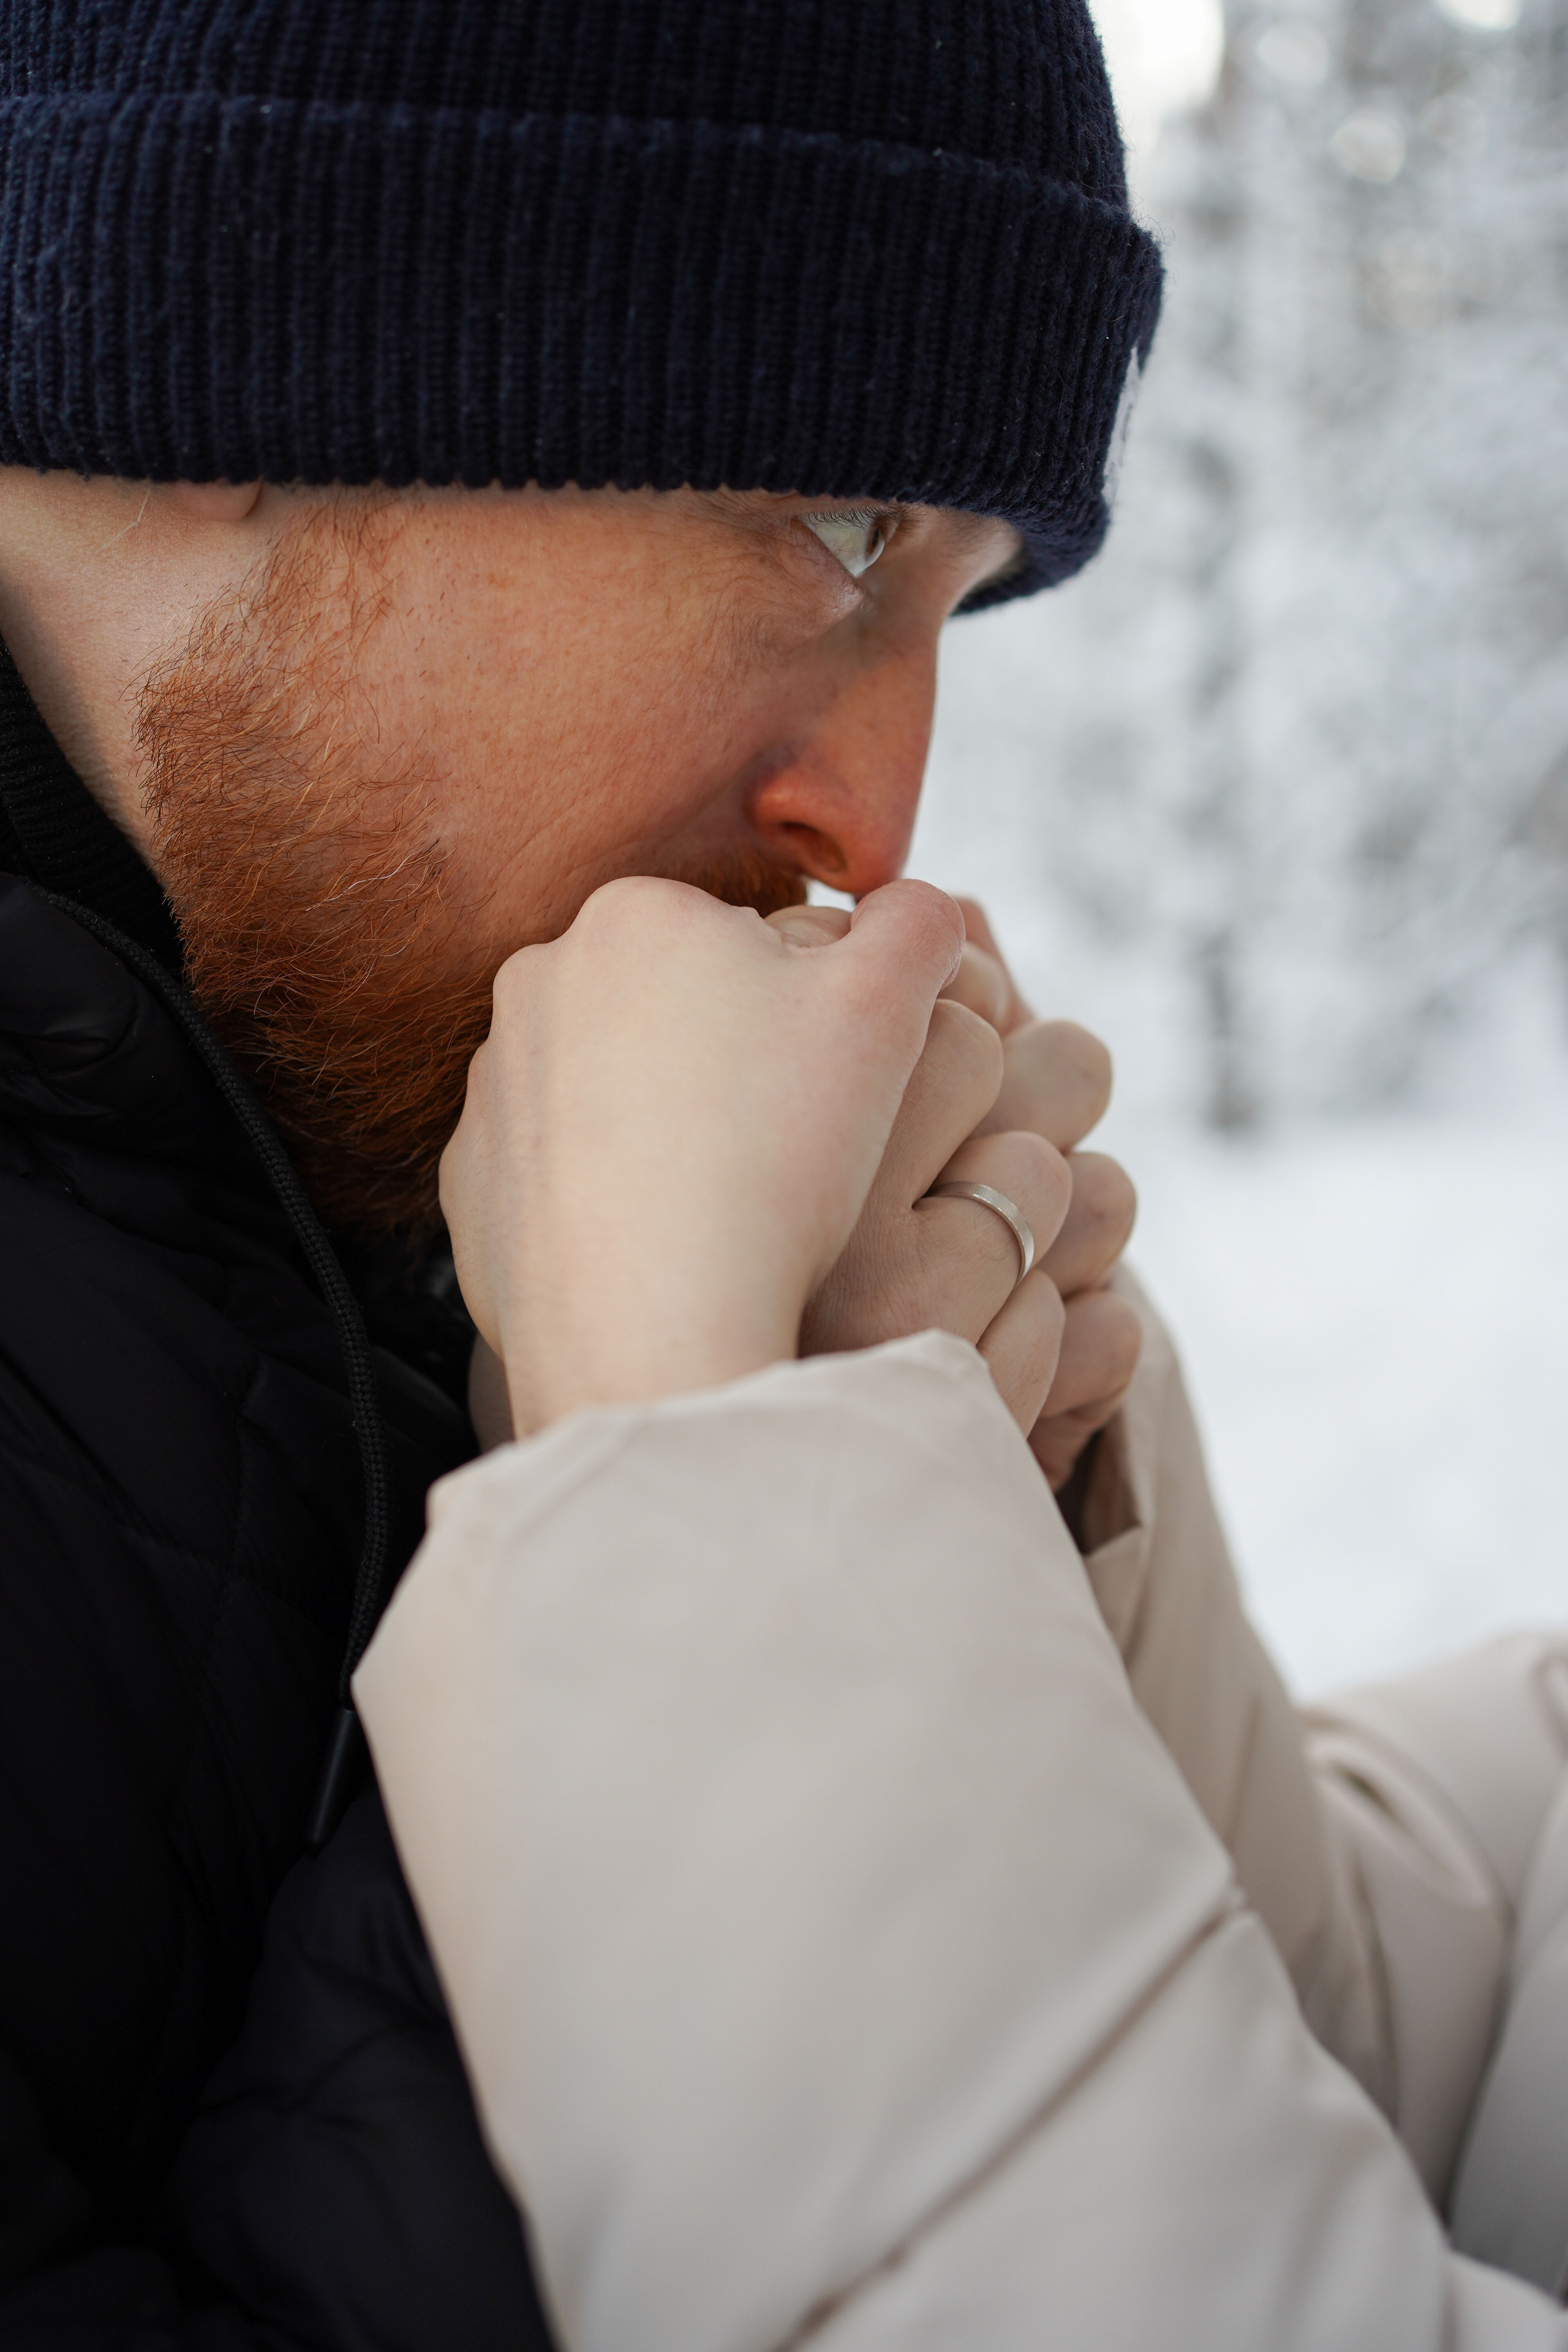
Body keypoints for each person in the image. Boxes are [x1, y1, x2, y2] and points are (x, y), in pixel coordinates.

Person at [0, 2, 1562, 2348]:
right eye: (837, 532)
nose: (885, 820)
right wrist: (709, 1528)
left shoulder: (384, 1090)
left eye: (959, 599)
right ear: (259, 315)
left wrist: (910, 1543)